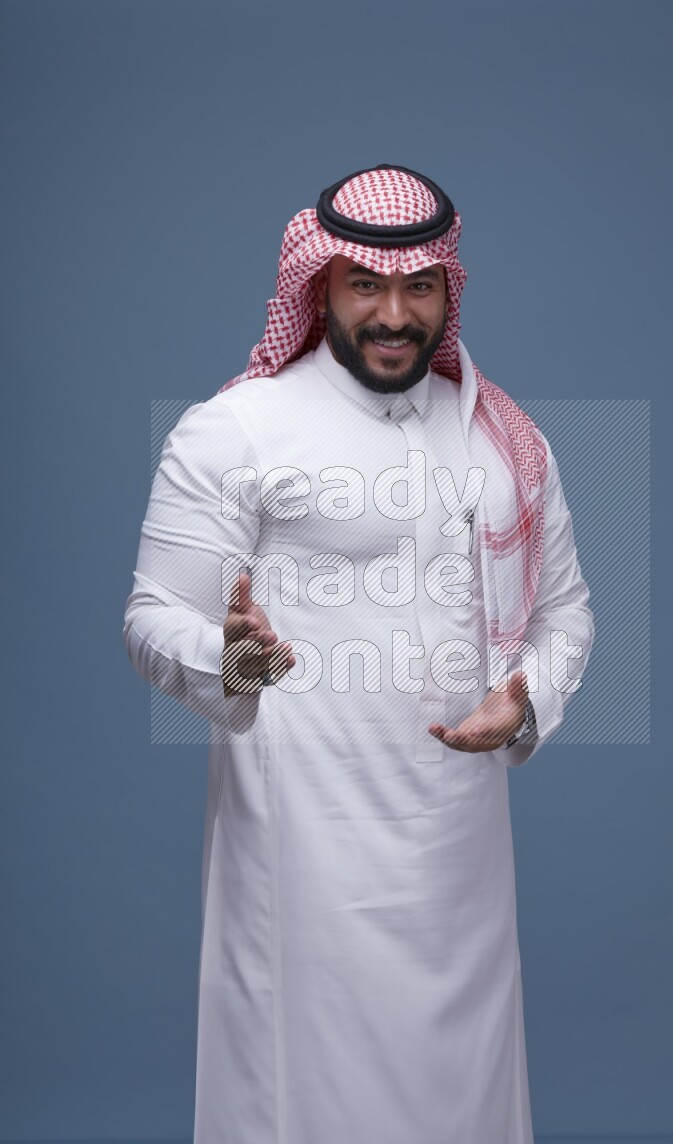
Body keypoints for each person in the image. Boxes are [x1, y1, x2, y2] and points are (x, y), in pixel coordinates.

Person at [124, 164, 594, 1144]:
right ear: (318, 286)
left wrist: (527, 697)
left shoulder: (499, 441)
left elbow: (562, 613)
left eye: (416, 287)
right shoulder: (235, 431)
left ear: (446, 291)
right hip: (303, 858)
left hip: (460, 865)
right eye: (365, 286)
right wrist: (239, 661)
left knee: (461, 1103)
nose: (392, 313)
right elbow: (151, 618)